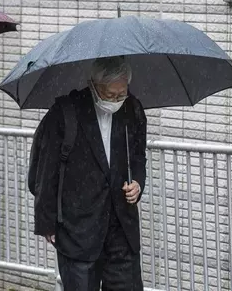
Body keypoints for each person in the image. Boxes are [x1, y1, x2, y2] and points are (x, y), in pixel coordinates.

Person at [33, 56, 147, 290]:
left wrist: (137, 182)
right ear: (93, 85)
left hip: (121, 226)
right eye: (110, 94)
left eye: (121, 93)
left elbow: (138, 157)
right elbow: (46, 168)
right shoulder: (65, 112)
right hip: (78, 227)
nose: (117, 100)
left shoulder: (132, 109)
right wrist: (47, 222)